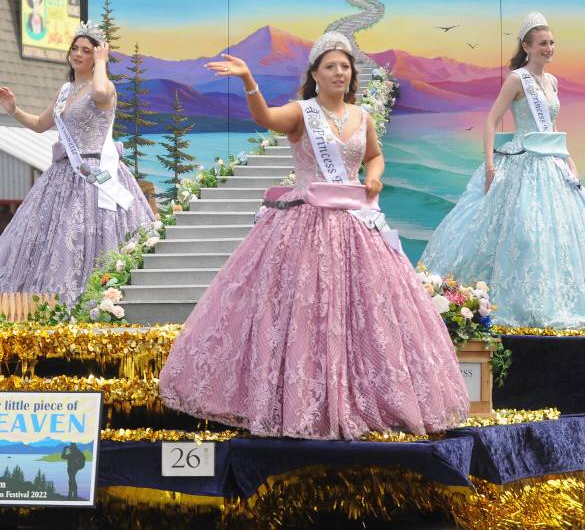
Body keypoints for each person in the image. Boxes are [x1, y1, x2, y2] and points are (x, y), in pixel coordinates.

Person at [159, 32, 470, 439]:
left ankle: (364, 398)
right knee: (305, 313)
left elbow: (374, 155)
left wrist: (374, 178)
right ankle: (302, 403)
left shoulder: (362, 117)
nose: (339, 72)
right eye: (330, 66)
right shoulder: (301, 114)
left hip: (357, 226)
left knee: (364, 316)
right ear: (315, 74)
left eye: (345, 66)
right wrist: (249, 79)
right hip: (306, 225)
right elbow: (266, 119)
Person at [420, 12, 585, 330]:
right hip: (522, 163)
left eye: (551, 43)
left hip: (551, 164)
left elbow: (552, 128)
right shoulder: (516, 79)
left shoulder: (551, 82)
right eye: (542, 43)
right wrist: (491, 165)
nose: (548, 48)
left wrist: (570, 162)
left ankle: (559, 302)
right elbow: (491, 121)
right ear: (526, 46)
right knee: (524, 233)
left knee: (564, 236)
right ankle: (504, 306)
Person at [0, 23, 154, 306]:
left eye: (86, 51)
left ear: (96, 56)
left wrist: (102, 63)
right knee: (53, 240)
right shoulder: (66, 90)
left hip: (95, 175)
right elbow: (41, 124)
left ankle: (100, 303)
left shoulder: (104, 87)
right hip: (63, 175)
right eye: (75, 48)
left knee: (89, 236)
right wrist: (14, 109)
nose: (77, 54)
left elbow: (100, 94)